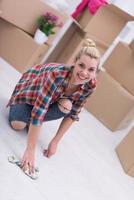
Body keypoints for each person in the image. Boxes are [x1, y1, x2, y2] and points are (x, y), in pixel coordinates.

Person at [7, 38, 101, 174]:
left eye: (91, 69)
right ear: (74, 62)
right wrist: (30, 149)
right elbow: (39, 110)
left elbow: (73, 113)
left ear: (95, 72)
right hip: (28, 96)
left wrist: (55, 141)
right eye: (81, 65)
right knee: (18, 126)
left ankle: (32, 123)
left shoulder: (90, 85)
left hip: (47, 102)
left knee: (67, 106)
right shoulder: (57, 74)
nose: (84, 73)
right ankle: (24, 115)